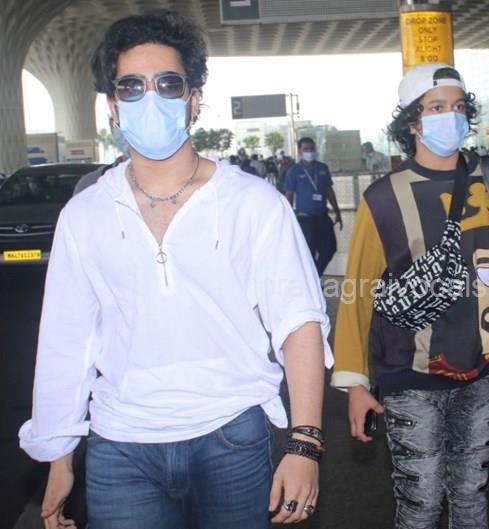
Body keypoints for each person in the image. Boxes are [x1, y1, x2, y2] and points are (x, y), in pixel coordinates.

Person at [19, 10, 331, 529]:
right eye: (131, 86)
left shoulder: (254, 203)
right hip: (121, 449)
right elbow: (66, 342)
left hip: (232, 437)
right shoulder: (85, 215)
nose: (151, 98)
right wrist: (59, 458)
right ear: (113, 106)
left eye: (168, 84)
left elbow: (299, 323)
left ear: (194, 99)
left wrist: (306, 444)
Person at [332, 63, 489, 529]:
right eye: (435, 108)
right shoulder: (383, 198)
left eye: (458, 106)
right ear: (412, 122)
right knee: (421, 501)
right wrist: (356, 383)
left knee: (472, 495)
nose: (450, 116)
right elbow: (358, 294)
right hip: (408, 371)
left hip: (486, 364)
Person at [283, 137, 343, 276]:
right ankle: (312, 280)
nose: (309, 152)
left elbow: (329, 191)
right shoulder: (294, 171)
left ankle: (314, 275)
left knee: (329, 249)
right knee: (309, 252)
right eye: (306, 149)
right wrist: (288, 218)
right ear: (300, 151)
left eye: (311, 149)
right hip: (305, 219)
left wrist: (337, 211)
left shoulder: (322, 168)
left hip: (322, 217)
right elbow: (289, 196)